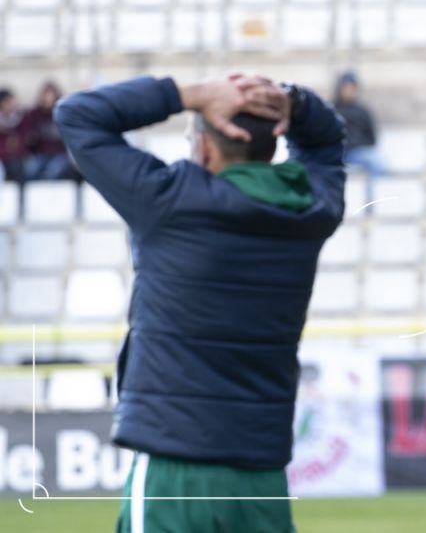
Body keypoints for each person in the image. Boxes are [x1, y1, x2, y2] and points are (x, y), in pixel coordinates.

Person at [54, 74, 346, 532]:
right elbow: (327, 142)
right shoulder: (309, 209)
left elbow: (77, 115)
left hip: (175, 468)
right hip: (262, 472)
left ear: (206, 147)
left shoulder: (169, 201)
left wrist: (190, 95)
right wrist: (293, 102)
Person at [332, 71, 384, 206]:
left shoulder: (362, 111)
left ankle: (372, 202)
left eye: (352, 88)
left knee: (377, 162)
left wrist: (357, 144)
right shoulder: (331, 110)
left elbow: (372, 137)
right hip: (336, 152)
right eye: (346, 88)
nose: (349, 92)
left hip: (357, 153)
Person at [24, 80, 81, 182]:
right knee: (31, 169)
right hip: (40, 153)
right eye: (46, 95)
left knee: (52, 172)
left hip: (59, 154)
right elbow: (29, 137)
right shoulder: (35, 114)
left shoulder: (63, 113)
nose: (48, 98)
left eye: (51, 95)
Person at [0, 87, 28, 184]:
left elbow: (22, 142)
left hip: (16, 158)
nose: (12, 104)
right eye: (7, 102)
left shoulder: (21, 119)